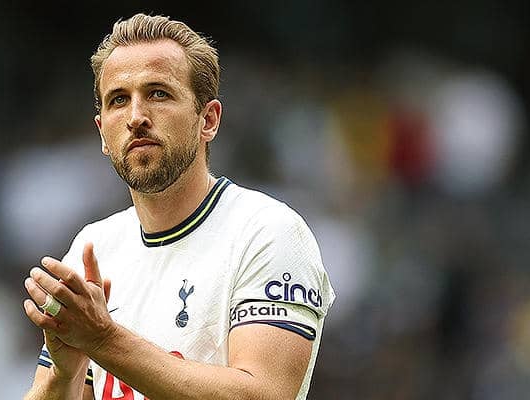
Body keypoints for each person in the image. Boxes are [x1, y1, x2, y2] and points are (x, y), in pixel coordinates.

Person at [22, 13, 334, 400]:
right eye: (119, 100)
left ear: (208, 120)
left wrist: (102, 339)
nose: (136, 117)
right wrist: (62, 376)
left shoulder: (267, 232)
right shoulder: (93, 248)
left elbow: (265, 395)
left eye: (158, 94)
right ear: (102, 133)